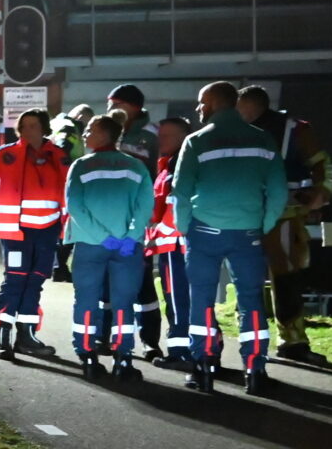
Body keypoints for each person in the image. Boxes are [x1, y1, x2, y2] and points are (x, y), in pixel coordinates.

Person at [171, 81, 288, 395]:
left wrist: (184, 228)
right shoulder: (263, 139)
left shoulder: (196, 141)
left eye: (201, 102)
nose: (198, 108)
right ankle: (255, 369)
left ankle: (203, 367)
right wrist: (262, 225)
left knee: (202, 300)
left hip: (204, 232)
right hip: (248, 232)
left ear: (211, 103)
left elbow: (181, 192)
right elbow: (278, 191)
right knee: (251, 300)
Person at [237, 85, 332, 364]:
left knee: (286, 280)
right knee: (247, 281)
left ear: (250, 105)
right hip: (243, 216)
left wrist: (321, 193)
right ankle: (251, 340)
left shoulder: (294, 129)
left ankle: (292, 341)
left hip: (283, 215)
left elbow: (323, 165)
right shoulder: (233, 131)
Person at [65, 111, 153, 383]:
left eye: (90, 129)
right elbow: (145, 206)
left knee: (86, 300)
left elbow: (74, 206)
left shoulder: (81, 166)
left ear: (105, 134)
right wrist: (130, 236)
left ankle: (88, 356)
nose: (85, 134)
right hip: (127, 247)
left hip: (90, 245)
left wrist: (102, 237)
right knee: (124, 303)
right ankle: (123, 359)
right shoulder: (136, 166)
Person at [0, 108, 68, 360]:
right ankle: (3, 336)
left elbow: (69, 190)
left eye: (33, 126)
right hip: (15, 231)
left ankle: (26, 336)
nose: (27, 131)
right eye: (23, 126)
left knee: (35, 281)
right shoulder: (5, 154)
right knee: (15, 281)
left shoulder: (58, 155)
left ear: (44, 128)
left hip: (47, 231)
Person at [142, 114, 211, 366]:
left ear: (184, 137)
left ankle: (181, 352)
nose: (160, 140)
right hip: (185, 242)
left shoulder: (177, 166)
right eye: (160, 136)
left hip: (175, 244)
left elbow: (171, 207)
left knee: (177, 299)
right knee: (196, 298)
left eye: (167, 136)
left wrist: (154, 235)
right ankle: (207, 352)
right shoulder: (171, 164)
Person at [107, 84, 160, 167]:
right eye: (109, 104)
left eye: (116, 104)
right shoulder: (105, 131)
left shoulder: (153, 134)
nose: (110, 109)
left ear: (135, 107)